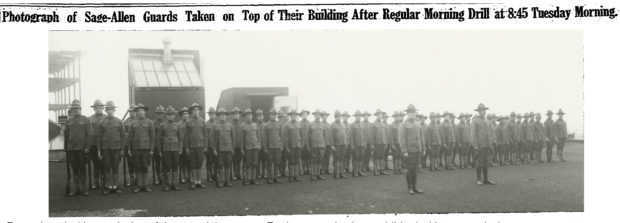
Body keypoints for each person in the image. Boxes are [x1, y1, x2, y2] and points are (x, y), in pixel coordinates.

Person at [65, 99, 93, 196]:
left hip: (82, 149)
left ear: (80, 109)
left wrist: (87, 147)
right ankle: (76, 189)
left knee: (82, 169)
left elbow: (89, 135)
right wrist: (66, 149)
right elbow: (66, 136)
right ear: (71, 110)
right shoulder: (68, 121)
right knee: (74, 169)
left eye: (77, 108)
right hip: (71, 149)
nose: (75, 110)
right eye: (73, 109)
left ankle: (84, 189)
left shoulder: (86, 120)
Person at [96, 101, 125, 194]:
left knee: (115, 167)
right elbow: (98, 137)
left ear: (114, 110)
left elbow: (123, 136)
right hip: (105, 149)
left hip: (116, 148)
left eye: (112, 109)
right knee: (107, 168)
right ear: (106, 110)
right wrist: (99, 150)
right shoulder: (101, 122)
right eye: (108, 109)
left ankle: (115, 186)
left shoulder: (119, 122)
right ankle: (107, 186)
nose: (110, 111)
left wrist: (122, 149)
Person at [128, 103, 156, 193]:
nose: (140, 112)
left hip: (146, 149)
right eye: (138, 111)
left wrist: (151, 149)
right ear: (136, 112)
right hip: (136, 149)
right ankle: (139, 186)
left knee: (145, 167)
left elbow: (153, 137)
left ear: (145, 112)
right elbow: (130, 138)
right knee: (137, 167)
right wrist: (129, 149)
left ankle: (145, 186)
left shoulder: (150, 122)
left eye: (142, 110)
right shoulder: (133, 123)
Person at [399, 104, 425, 194]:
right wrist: (404, 151)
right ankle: (410, 187)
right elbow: (401, 139)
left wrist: (423, 148)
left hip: (417, 150)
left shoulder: (417, 124)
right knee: (410, 169)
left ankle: (415, 187)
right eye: (410, 112)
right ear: (407, 113)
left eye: (413, 112)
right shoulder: (403, 124)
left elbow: (421, 138)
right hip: (409, 151)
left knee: (415, 170)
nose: (412, 114)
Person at [158, 106, 183, 191]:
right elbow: (159, 139)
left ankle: (174, 184)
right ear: (166, 116)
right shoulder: (162, 125)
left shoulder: (177, 125)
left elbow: (180, 139)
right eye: (168, 115)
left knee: (175, 166)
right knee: (167, 167)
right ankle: (168, 184)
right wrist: (160, 151)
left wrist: (180, 149)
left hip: (175, 149)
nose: (170, 116)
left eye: (171, 114)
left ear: (174, 115)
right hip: (166, 149)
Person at [471, 103, 496, 186]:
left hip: (487, 145)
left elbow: (490, 133)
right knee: (479, 162)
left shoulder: (487, 120)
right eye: (481, 110)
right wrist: (475, 145)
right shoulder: (475, 121)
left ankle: (486, 179)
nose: (483, 112)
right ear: (478, 112)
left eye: (484, 110)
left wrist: (491, 143)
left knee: (486, 162)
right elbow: (473, 134)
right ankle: (479, 179)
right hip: (480, 145)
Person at [185, 103, 207, 189]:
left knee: (199, 164)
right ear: (191, 112)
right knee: (193, 165)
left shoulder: (202, 121)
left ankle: (199, 181)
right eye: (194, 110)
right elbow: (186, 136)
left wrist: (205, 146)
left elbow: (206, 135)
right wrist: (187, 147)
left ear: (199, 111)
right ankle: (193, 182)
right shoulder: (188, 122)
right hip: (192, 147)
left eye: (197, 110)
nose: (196, 112)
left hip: (201, 146)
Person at [214, 108, 235, 187]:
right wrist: (214, 149)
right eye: (221, 115)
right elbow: (213, 139)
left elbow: (233, 138)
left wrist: (232, 149)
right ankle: (221, 181)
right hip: (220, 149)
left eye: (224, 115)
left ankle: (227, 181)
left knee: (228, 165)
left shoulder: (230, 125)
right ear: (218, 116)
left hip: (229, 149)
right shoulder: (215, 126)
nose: (222, 117)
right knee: (220, 165)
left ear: (226, 116)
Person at [88, 99, 106, 190]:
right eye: (96, 107)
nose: (98, 109)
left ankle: (104, 182)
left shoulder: (106, 118)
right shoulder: (89, 119)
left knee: (104, 164)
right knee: (95, 164)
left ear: (103, 108)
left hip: (104, 145)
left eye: (100, 107)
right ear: (94, 108)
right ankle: (95, 182)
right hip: (93, 145)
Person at [241, 109, 261, 185]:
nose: (249, 117)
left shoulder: (255, 125)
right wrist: (242, 149)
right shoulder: (243, 126)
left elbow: (258, 136)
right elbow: (242, 138)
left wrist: (259, 145)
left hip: (255, 147)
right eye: (247, 115)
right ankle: (247, 179)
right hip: (248, 148)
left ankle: (253, 179)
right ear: (245, 117)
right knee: (248, 164)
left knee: (254, 163)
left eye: (250, 115)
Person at [265, 108, 284, 183]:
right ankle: (269, 178)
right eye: (272, 115)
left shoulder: (279, 125)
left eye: (275, 115)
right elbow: (265, 137)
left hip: (277, 146)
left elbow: (281, 136)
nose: (273, 116)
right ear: (270, 115)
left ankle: (276, 177)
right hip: (270, 147)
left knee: (277, 162)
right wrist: (265, 147)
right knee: (270, 162)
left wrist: (281, 145)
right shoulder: (266, 125)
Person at [284, 109, 304, 182]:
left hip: (298, 146)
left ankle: (296, 176)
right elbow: (286, 137)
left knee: (297, 161)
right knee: (291, 161)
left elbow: (302, 135)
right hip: (291, 146)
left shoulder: (299, 124)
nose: (294, 116)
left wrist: (301, 144)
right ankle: (291, 176)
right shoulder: (287, 125)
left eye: (295, 115)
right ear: (290, 116)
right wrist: (287, 147)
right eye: (292, 115)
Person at [309, 109, 328, 180]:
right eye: (316, 115)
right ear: (314, 115)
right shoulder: (311, 124)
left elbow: (325, 136)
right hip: (314, 145)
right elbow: (308, 136)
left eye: (319, 115)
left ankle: (318, 174)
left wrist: (324, 144)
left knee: (320, 160)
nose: (317, 116)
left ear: (320, 116)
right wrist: (309, 145)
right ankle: (313, 175)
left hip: (321, 145)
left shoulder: (323, 125)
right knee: (314, 160)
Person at [370, 109, 389, 175]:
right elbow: (372, 135)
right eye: (378, 114)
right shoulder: (374, 124)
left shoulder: (383, 124)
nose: (380, 115)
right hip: (377, 143)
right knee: (376, 156)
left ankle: (381, 169)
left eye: (381, 114)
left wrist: (386, 142)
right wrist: (372, 144)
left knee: (382, 156)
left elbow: (385, 134)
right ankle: (376, 170)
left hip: (383, 143)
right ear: (376, 115)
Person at [331, 110, 348, 179]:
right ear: (335, 117)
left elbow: (345, 135)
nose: (339, 118)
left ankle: (341, 173)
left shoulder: (343, 124)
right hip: (336, 145)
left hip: (343, 144)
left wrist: (346, 143)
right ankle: (336, 174)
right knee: (336, 159)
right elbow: (331, 136)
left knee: (341, 159)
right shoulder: (332, 125)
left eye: (339, 116)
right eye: (337, 116)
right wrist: (332, 145)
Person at [350, 110, 367, 177]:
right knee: (355, 158)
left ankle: (360, 171)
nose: (358, 117)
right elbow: (351, 136)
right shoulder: (352, 125)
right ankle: (355, 172)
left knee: (361, 157)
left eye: (359, 116)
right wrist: (352, 145)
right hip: (356, 145)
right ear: (355, 116)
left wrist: (365, 143)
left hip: (362, 144)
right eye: (357, 116)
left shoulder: (363, 124)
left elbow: (364, 135)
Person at [123, 105, 137, 187]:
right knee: (130, 163)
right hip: (128, 145)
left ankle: (137, 178)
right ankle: (132, 178)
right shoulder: (125, 122)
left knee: (137, 162)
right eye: (131, 111)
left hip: (137, 144)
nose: (132, 113)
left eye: (134, 111)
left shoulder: (138, 120)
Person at [177, 107, 191, 183]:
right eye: (183, 114)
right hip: (182, 146)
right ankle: (184, 176)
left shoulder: (190, 122)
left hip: (189, 146)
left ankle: (190, 176)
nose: (185, 115)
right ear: (181, 115)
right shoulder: (178, 124)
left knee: (190, 162)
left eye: (186, 113)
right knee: (183, 162)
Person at [152, 105, 165, 185]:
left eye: (161, 113)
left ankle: (165, 177)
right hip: (156, 146)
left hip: (165, 146)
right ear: (156, 114)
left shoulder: (166, 122)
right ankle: (159, 177)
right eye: (158, 113)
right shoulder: (153, 123)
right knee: (157, 163)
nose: (160, 115)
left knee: (166, 163)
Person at [230, 107, 243, 181]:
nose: (236, 115)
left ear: (239, 115)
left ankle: (238, 174)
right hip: (233, 146)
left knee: (239, 160)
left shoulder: (241, 124)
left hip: (239, 146)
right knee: (233, 161)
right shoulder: (230, 124)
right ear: (232, 115)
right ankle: (233, 175)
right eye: (234, 114)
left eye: (237, 114)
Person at [205, 107, 217, 182]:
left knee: (216, 161)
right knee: (209, 161)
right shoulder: (206, 124)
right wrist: (205, 146)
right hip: (209, 146)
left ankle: (214, 175)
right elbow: (205, 136)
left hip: (216, 146)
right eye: (211, 114)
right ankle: (209, 176)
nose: (213, 116)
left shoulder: (217, 123)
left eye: (214, 114)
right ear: (209, 115)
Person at [299, 110, 312, 176]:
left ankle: (308, 169)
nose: (305, 115)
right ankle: (303, 170)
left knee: (309, 157)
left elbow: (311, 134)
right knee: (302, 158)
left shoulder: (310, 123)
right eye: (303, 114)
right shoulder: (299, 123)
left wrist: (310, 143)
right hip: (301, 143)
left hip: (308, 143)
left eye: (306, 114)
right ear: (301, 116)